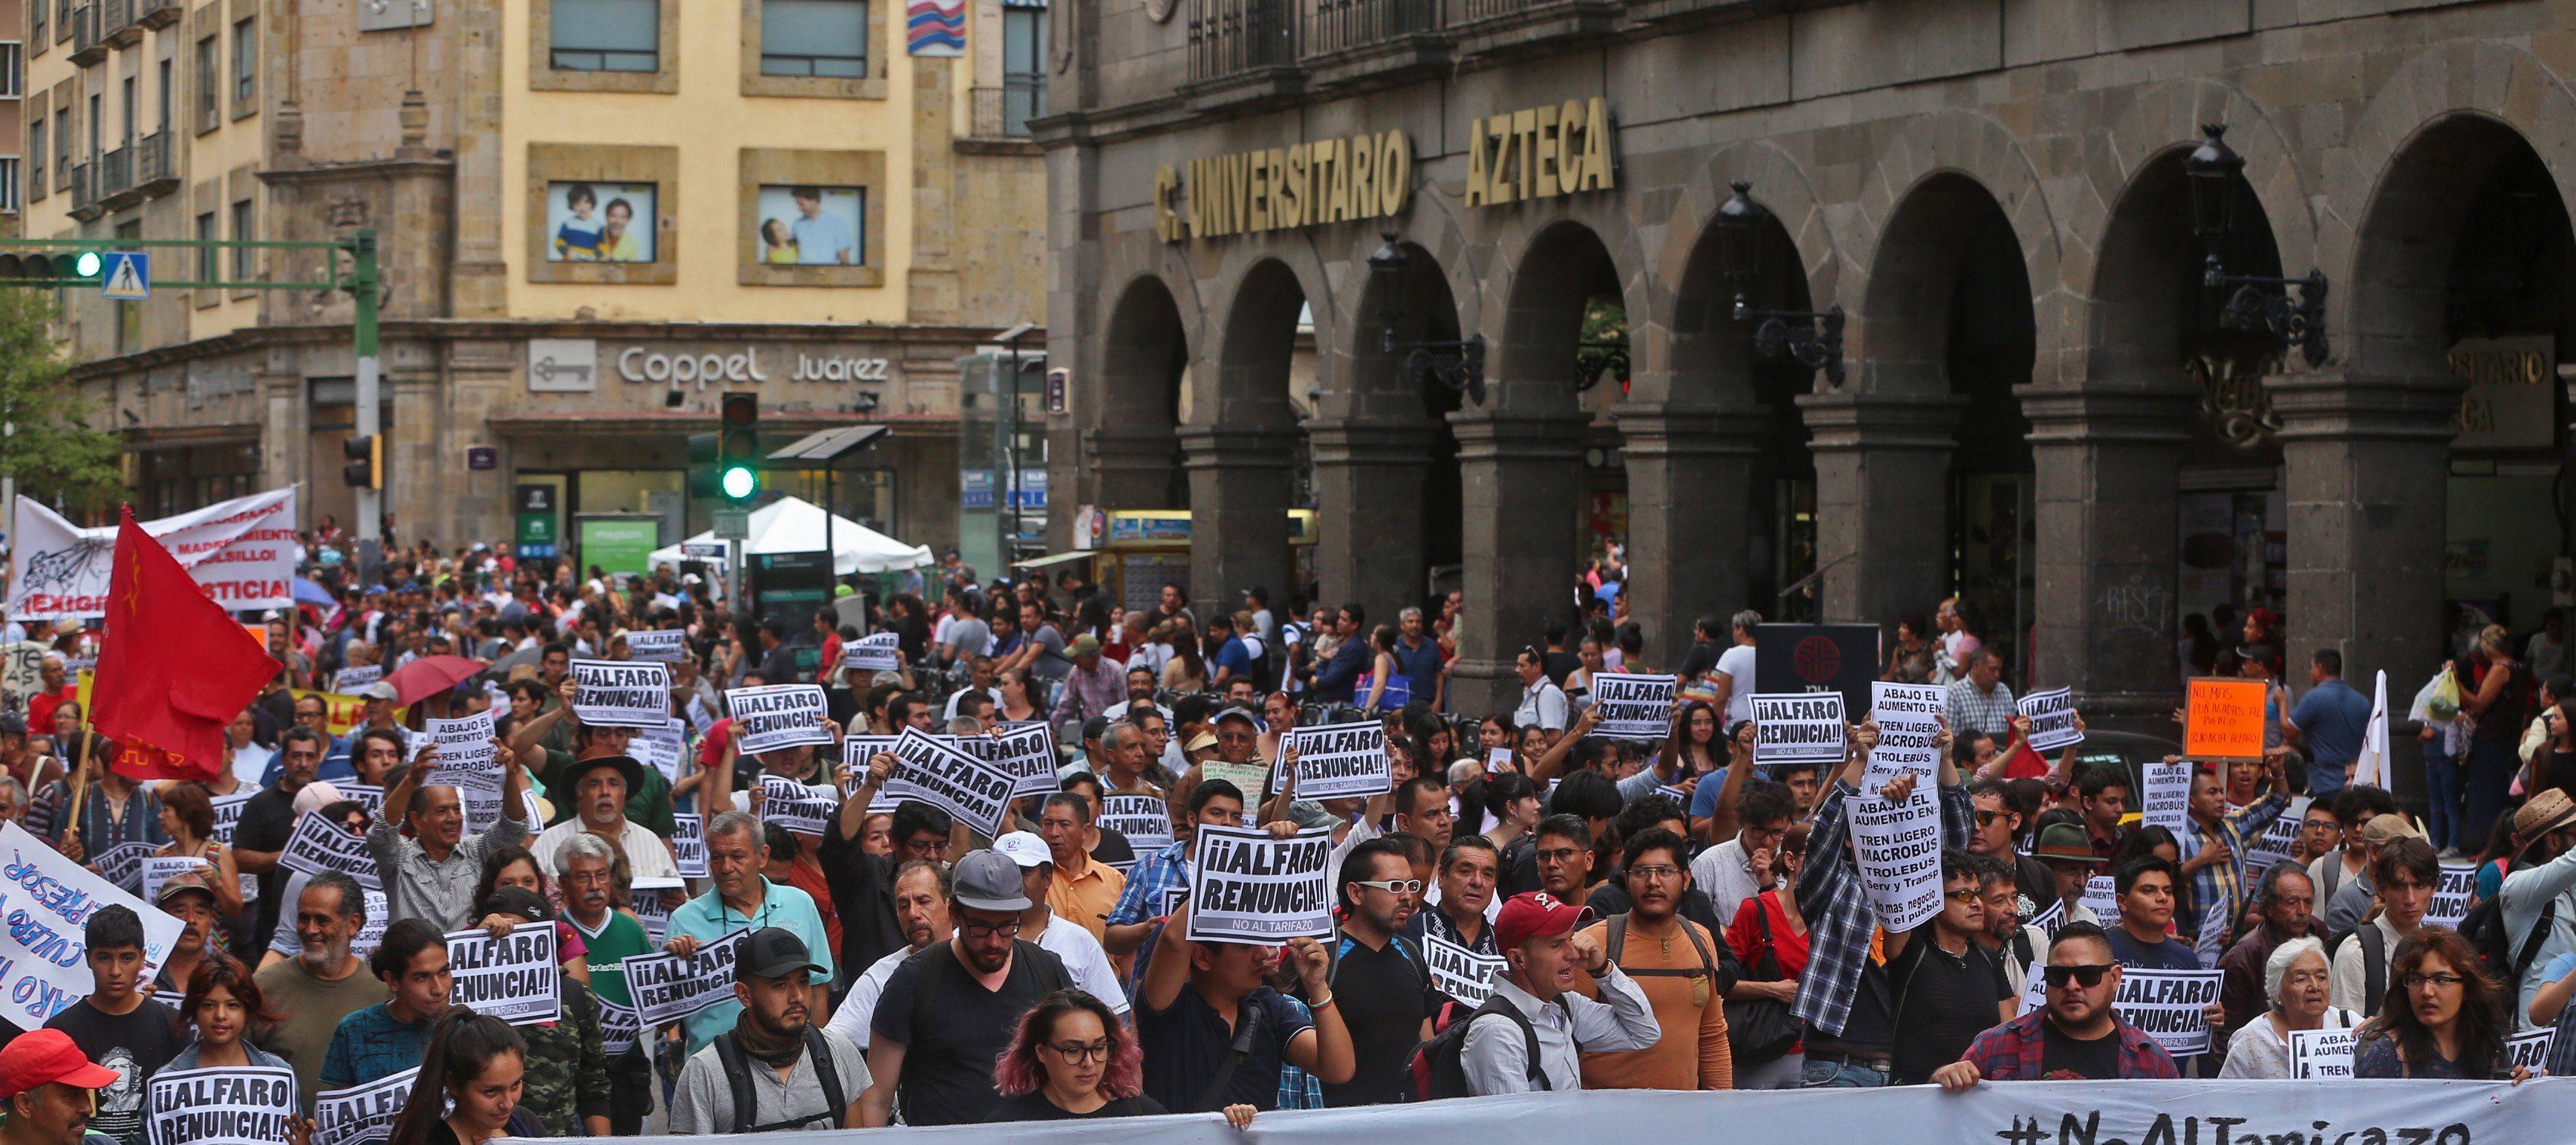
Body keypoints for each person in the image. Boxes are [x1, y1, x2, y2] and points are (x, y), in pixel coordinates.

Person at [861, 851, 1072, 1126]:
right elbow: (876, 1097)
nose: (995, 942)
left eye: (1008, 926)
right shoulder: (912, 980)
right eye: (980, 928)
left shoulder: (1046, 970)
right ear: (954, 915)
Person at [1134, 896, 1355, 1112]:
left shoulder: (1268, 1007)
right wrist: (1229, 879)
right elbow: (1173, 939)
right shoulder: (1170, 1007)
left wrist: (1317, 988)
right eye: (1244, 945)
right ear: (1202, 957)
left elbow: (1339, 1070)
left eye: (1260, 940)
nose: (1262, 953)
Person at [666, 811, 838, 1057]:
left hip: (792, 1062)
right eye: (717, 858)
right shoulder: (684, 920)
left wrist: (818, 1057)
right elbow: (663, 1021)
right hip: (715, 1069)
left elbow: (819, 989)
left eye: (737, 857)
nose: (726, 868)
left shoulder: (799, 903)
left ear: (762, 856)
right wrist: (669, 970)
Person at [1574, 827, 1732, 1090]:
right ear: (1626, 879)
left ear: (1686, 879)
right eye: (1641, 872)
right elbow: (1568, 1035)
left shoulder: (1701, 939)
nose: (1653, 882)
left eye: (1665, 871)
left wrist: (1723, 1103)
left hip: (1681, 1117)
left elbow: (1712, 1034)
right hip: (1605, 1118)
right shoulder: (1596, 945)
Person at [1933, 921, 2180, 1087]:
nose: (2072, 986)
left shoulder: (2153, 1062)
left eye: (2088, 975)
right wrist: (1942, 1081)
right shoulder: (1995, 1046)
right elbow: (1940, 1115)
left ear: (2114, 978)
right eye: (2059, 976)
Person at [672, 927, 869, 1132]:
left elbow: (855, 1138)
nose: (798, 997)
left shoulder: (839, 1052)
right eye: (780, 985)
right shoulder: (705, 1071)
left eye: (803, 982)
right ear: (744, 994)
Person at [1460, 890, 1659, 1094]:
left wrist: (1603, 969)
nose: (1574, 954)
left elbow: (1644, 1033)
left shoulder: (1563, 1004)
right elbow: (1516, 1124)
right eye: (1556, 945)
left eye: (1571, 939)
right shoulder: (1497, 1032)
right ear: (1518, 959)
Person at [42, 906, 181, 1145]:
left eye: (126, 958)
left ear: (142, 958)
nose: (115, 971)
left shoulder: (173, 1025)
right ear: (88, 959)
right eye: (104, 957)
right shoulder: (59, 1032)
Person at [1318, 837, 1441, 1106]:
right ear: (1356, 894)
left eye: (1411, 886)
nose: (1407, 897)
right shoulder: (1322, 960)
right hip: (1337, 1124)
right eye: (1394, 886)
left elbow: (1426, 1044)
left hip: (1406, 1120)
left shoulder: (1411, 953)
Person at [253, 870, 382, 1114]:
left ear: (353, 924)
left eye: (322, 920)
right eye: (303, 918)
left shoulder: (383, 992)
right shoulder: (264, 988)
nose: (310, 930)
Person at [368, 740, 532, 929]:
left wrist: (509, 776)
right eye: (441, 811)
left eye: (456, 809)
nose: (453, 818)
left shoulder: (476, 851)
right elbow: (381, 833)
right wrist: (411, 780)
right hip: (411, 957)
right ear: (416, 820)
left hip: (469, 959)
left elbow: (513, 828)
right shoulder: (398, 858)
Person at [553, 834, 656, 1134]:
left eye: (601, 875)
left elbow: (655, 994)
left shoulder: (630, 928)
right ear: (563, 883)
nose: (595, 886)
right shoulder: (552, 934)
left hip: (626, 1072)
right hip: (572, 1073)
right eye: (583, 877)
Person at [992, 831, 1131, 1016]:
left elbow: (1114, 1016)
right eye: (1005, 872)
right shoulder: (968, 938)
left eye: (1024, 872)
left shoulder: (1080, 941)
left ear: (1047, 879)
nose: (1013, 880)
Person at [2354, 929, 2523, 1079]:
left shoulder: (2492, 1049)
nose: (2427, 991)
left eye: (2441, 980)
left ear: (2467, 989)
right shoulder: (2387, 1055)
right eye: (2416, 980)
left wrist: (2524, 1087)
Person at [986, 989, 1173, 1122]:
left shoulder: (1144, 1117)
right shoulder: (1008, 1126)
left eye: (1099, 1047)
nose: (1089, 1062)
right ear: (1041, 1051)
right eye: (1073, 1051)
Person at [822, 861, 953, 1051]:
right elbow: (832, 1044)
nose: (913, 914)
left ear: (950, 905)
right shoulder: (880, 976)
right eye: (903, 905)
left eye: (923, 902)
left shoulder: (978, 955)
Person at [147, 954, 293, 1120]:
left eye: (232, 1005)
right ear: (195, 1010)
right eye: (209, 1006)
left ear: (248, 1009)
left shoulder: (278, 1073)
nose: (220, 1015)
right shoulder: (168, 1080)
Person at [320, 918, 454, 1091]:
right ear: (392, 981)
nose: (438, 989)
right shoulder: (354, 1031)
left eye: (444, 972)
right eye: (422, 977)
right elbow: (341, 1109)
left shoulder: (462, 1027)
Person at [382, 1007, 546, 1145]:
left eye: (515, 1085)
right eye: (491, 1092)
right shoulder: (427, 1140)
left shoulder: (526, 1123)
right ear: (453, 1084)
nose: (508, 1103)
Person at [2218, 937, 2358, 1078]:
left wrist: (2376, 1032)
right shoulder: (2251, 1040)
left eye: (2321, 977)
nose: (2315, 987)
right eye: (2301, 979)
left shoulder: (2350, 1025)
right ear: (2277, 992)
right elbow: (2226, 1097)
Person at [2330, 837, 2437, 1018]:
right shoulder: (2356, 952)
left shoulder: (2439, 948)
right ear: (2380, 889)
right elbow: (2346, 1035)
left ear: (2433, 888)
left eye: (2419, 886)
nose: (2410, 899)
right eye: (2399, 887)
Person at [2215, 863, 2315, 1037]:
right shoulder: (2243, 957)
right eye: (2291, 903)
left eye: (2308, 902)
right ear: (2269, 908)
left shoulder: (2316, 933)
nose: (2302, 911)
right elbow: (2227, 1033)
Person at [1689, 779, 1795, 928]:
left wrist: (1771, 885)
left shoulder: (1795, 865)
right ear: (1743, 823)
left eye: (1777, 833)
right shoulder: (1709, 864)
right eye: (1759, 831)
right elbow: (1693, 924)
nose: (1768, 842)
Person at [0, 1029, 123, 1145]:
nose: (88, 1109)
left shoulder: (101, 1142)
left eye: (85, 1092)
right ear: (25, 1104)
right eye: (71, 1096)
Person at [2283, 649, 2372, 798]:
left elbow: (2288, 731)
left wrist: (2282, 703)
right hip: (2354, 784)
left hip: (2322, 784)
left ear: (2320, 668)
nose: (2311, 672)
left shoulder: (2314, 698)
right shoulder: (2362, 701)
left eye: (2312, 667)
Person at [1411, 836, 1501, 954]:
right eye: (1465, 871)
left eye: (1488, 874)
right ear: (1442, 876)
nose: (1478, 882)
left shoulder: (1504, 946)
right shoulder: (1408, 931)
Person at [1943, 649, 2016, 738]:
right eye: (1992, 670)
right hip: (1970, 751)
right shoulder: (1955, 694)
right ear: (1976, 666)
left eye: (1999, 670)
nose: (1997, 675)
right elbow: (1950, 737)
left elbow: (2013, 729)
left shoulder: (2004, 691)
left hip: (2004, 750)